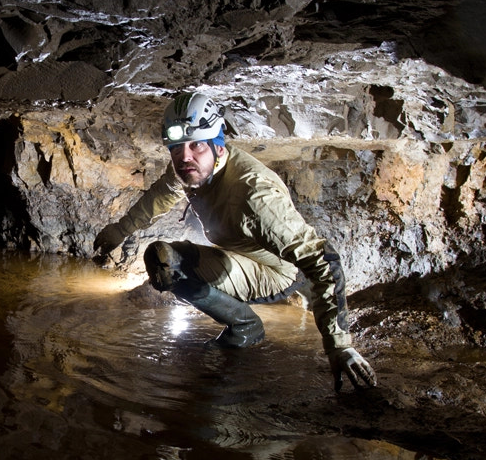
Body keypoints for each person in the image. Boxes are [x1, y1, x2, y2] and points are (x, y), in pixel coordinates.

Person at [93, 91, 376, 391]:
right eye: (176, 148)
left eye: (197, 145)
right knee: (161, 257)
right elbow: (162, 194)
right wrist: (119, 231)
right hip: (239, 257)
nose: (185, 156)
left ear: (218, 145)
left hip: (276, 274)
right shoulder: (192, 167)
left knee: (169, 265)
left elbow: (322, 259)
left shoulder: (254, 196)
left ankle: (245, 328)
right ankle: (244, 323)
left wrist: (339, 345)